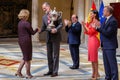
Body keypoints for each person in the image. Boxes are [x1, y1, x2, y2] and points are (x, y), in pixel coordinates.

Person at [39, 2, 63, 77]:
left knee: (55, 55)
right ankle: (50, 70)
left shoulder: (57, 14)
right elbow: (43, 27)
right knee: (49, 55)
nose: (43, 10)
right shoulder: (44, 17)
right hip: (48, 38)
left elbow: (61, 24)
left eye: (44, 8)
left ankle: (55, 72)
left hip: (56, 37)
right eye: (43, 9)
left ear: (48, 7)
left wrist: (56, 29)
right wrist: (39, 30)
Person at [96, 6, 119, 80]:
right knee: (106, 64)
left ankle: (114, 78)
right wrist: (98, 27)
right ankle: (108, 77)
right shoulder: (105, 19)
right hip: (105, 45)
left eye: (104, 10)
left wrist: (98, 28)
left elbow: (108, 33)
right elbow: (103, 30)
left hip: (110, 46)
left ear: (108, 12)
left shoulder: (113, 21)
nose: (103, 12)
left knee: (112, 64)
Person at [15, 9, 38, 79]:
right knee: (27, 58)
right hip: (26, 42)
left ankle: (18, 71)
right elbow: (32, 33)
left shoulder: (19, 23)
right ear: (26, 15)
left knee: (25, 57)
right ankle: (28, 74)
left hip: (21, 41)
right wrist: (37, 29)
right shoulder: (27, 23)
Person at [82, 10, 100, 79]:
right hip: (91, 39)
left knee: (94, 58)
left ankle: (95, 74)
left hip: (94, 40)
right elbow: (87, 32)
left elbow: (91, 31)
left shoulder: (96, 22)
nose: (90, 14)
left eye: (91, 13)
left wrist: (84, 25)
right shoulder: (91, 22)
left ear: (95, 14)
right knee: (92, 58)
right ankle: (94, 72)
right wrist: (84, 26)